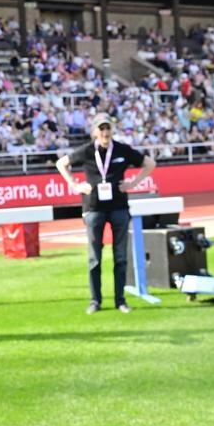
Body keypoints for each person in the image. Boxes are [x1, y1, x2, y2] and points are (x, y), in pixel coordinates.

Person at [56, 113, 156, 314]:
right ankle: (95, 301)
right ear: (94, 131)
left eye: (107, 128)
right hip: (93, 209)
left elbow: (150, 164)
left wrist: (133, 183)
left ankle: (120, 300)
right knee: (95, 258)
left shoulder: (122, 150)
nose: (105, 132)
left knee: (121, 257)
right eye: (101, 129)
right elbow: (61, 164)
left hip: (119, 208)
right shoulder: (86, 151)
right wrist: (75, 185)